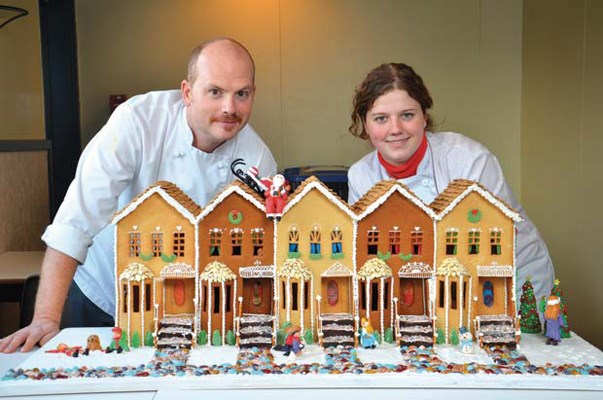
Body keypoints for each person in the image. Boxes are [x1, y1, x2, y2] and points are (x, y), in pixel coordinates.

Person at [0, 37, 277, 353]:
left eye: (242, 94)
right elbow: (76, 220)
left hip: (188, 306)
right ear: (187, 92)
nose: (229, 107)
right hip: (104, 291)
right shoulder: (138, 121)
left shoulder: (257, 159)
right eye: (215, 92)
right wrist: (45, 318)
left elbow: (258, 249)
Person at [347, 63, 554, 302]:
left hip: (513, 278)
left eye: (407, 115)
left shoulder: (468, 160)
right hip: (429, 288)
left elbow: (489, 243)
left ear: (424, 117)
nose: (395, 129)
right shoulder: (361, 175)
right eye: (381, 118)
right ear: (365, 123)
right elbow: (368, 256)